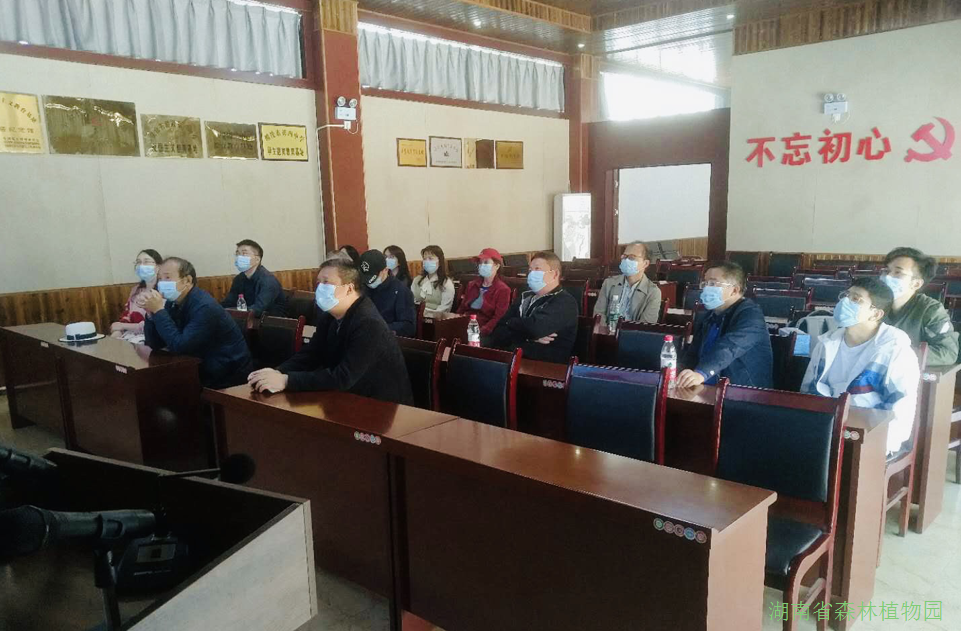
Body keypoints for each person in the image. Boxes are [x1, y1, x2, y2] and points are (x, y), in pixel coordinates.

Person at [247, 258, 414, 404]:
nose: (320, 287)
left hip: (380, 406)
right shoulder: (330, 316)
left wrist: (287, 381)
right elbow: (311, 354)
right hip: (347, 398)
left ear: (349, 288)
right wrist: (277, 372)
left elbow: (343, 377)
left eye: (326, 282)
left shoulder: (368, 322)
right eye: (318, 283)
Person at [802, 277, 920, 455]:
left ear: (876, 314)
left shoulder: (895, 351)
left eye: (856, 299)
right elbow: (807, 391)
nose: (845, 302)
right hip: (826, 430)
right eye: (846, 295)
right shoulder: (826, 343)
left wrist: (877, 449)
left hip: (870, 439)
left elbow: (901, 411)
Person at [141, 257, 253, 389]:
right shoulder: (173, 303)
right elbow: (155, 344)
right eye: (160, 279)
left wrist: (159, 311)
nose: (161, 283)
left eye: (167, 277)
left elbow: (180, 347)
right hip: (199, 366)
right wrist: (151, 315)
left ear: (187, 280)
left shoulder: (204, 306)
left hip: (226, 374)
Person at [677, 261, 773, 388]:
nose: (706, 288)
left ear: (734, 290)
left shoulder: (751, 315)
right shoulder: (710, 316)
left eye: (712, 283)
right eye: (705, 283)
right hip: (706, 388)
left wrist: (701, 373)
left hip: (742, 392)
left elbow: (729, 347)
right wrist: (677, 373)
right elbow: (692, 355)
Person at [489, 251, 578, 364]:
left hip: (545, 366)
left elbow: (535, 329)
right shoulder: (524, 297)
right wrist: (529, 337)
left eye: (537, 269)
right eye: (530, 270)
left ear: (554, 274)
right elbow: (498, 332)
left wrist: (510, 323)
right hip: (513, 359)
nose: (531, 274)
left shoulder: (565, 301)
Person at [881, 247, 959, 366]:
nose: (887, 277)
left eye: (897, 272)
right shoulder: (873, 303)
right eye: (886, 271)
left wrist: (898, 354)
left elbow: (947, 353)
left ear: (916, 283)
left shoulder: (931, 310)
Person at [594, 241, 662, 323]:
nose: (626, 260)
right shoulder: (609, 283)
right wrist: (606, 331)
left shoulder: (653, 292)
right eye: (624, 257)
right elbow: (598, 315)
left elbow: (645, 326)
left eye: (632, 257)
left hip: (633, 331)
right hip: (607, 330)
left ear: (645, 263)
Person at [220, 239, 287, 317]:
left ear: (257, 260)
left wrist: (229, 312)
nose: (239, 257)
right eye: (237, 254)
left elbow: (257, 310)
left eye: (244, 254)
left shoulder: (268, 281)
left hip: (271, 321)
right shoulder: (239, 279)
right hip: (247, 319)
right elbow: (228, 302)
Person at [456, 248, 512, 339]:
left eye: (486, 262)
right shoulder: (472, 285)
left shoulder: (503, 290)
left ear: (497, 266)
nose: (482, 266)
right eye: (480, 263)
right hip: (465, 324)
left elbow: (498, 318)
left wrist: (481, 331)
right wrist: (454, 322)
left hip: (484, 330)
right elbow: (462, 308)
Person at [359, 249, 417, 337]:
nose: (369, 283)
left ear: (385, 270)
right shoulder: (362, 287)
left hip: (387, 338)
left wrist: (378, 328)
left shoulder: (401, 291)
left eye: (373, 278)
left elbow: (408, 326)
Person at [110, 249, 162, 343]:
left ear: (158, 267)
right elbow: (127, 316)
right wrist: (117, 331)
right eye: (138, 262)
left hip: (153, 339)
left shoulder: (163, 292)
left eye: (146, 262)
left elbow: (157, 324)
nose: (141, 266)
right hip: (130, 336)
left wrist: (123, 326)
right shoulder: (136, 290)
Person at [411, 245, 455, 315]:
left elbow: (445, 309)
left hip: (436, 319)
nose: (427, 261)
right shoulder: (417, 280)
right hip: (416, 316)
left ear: (440, 261)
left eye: (430, 258)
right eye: (425, 259)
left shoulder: (446, 283)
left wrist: (425, 313)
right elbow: (411, 301)